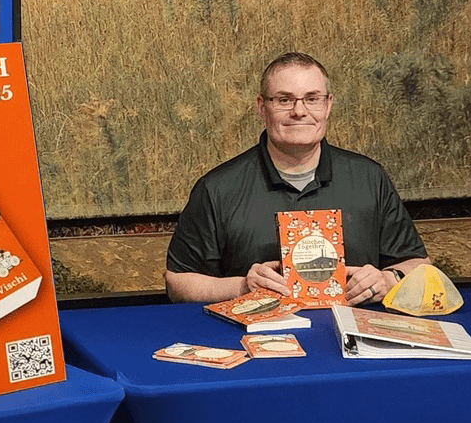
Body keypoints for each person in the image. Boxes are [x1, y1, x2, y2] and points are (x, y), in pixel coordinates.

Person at [165, 52, 430, 303]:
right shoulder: (217, 188)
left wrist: (387, 279)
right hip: (258, 337)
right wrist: (242, 286)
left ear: (328, 105)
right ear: (261, 107)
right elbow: (177, 282)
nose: (299, 111)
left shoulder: (370, 178)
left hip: (352, 334)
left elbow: (419, 265)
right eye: (284, 100)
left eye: (312, 98)